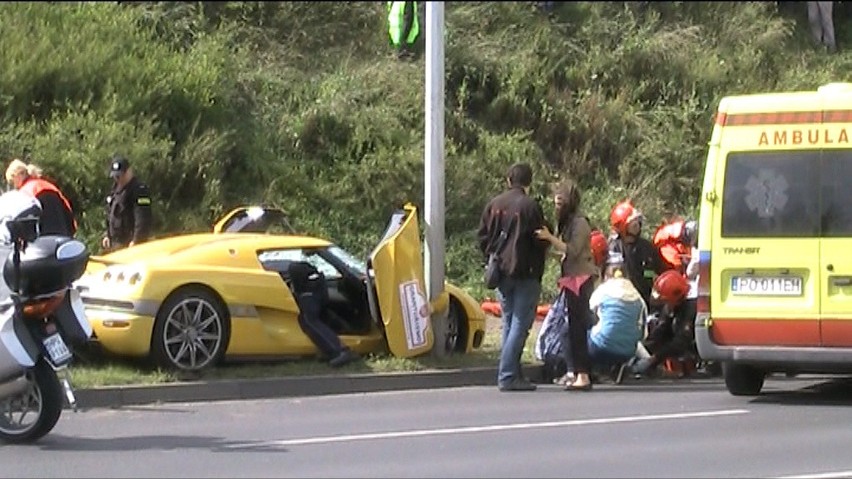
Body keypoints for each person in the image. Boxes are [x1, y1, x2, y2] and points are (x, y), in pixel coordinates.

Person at [477, 163, 549, 392]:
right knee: (520, 324)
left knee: (508, 321)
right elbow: (541, 239)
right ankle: (508, 375)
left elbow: (482, 237)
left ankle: (513, 373)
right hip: (526, 271)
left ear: (509, 179)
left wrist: (493, 256)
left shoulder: (494, 204)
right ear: (529, 182)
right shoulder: (531, 206)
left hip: (501, 272)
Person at [535, 178, 598, 391]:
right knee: (572, 327)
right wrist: (548, 251)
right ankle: (579, 372)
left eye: (561, 202)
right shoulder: (570, 222)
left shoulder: (580, 223)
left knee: (578, 328)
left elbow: (572, 250)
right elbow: (565, 255)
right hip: (571, 278)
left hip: (581, 279)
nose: (557, 205)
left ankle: (584, 375)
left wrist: (550, 237)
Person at [587, 253, 647, 385]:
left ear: (606, 275)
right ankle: (618, 366)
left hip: (601, 348)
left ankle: (593, 371)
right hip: (628, 351)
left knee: (584, 331)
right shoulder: (638, 297)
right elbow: (643, 333)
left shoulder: (602, 291)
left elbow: (588, 313)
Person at [287, 261, 360, 368]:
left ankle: (339, 351)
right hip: (316, 288)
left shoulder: (289, 263)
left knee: (309, 320)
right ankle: (330, 350)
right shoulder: (300, 263)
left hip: (308, 290)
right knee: (314, 319)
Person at [607, 200, 666, 310]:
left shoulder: (647, 248)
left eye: (637, 222)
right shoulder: (613, 248)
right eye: (633, 222)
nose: (637, 225)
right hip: (621, 301)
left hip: (645, 301)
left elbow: (657, 272)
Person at [5, 158, 77, 237]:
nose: (14, 186)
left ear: (19, 175)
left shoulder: (26, 192)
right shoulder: (49, 186)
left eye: (12, 182)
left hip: (43, 240)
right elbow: (67, 210)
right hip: (64, 236)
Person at [102, 155, 153, 252]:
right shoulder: (114, 190)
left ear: (129, 171)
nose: (118, 178)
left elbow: (143, 220)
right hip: (115, 244)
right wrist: (107, 235)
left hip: (130, 244)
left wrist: (137, 241)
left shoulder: (139, 190)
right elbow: (111, 215)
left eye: (120, 175)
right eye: (115, 176)